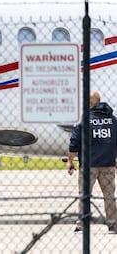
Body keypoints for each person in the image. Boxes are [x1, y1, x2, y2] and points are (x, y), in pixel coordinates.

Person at [67, 91, 117, 233]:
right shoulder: (112, 120)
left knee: (85, 195)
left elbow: (74, 143)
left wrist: (70, 161)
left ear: (90, 103)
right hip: (107, 164)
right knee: (109, 195)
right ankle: (113, 224)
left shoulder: (85, 121)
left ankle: (82, 223)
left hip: (89, 165)